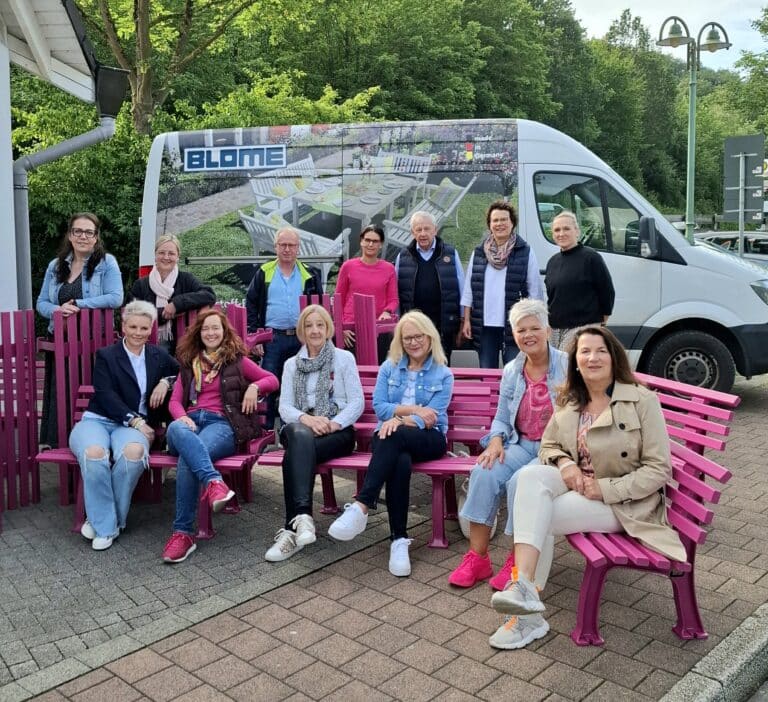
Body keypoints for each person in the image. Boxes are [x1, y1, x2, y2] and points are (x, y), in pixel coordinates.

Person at [487, 325, 685, 650]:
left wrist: (605, 489)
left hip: (623, 502)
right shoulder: (571, 398)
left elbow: (658, 469)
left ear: (614, 357)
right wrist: (566, 465)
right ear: (575, 361)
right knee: (529, 478)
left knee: (538, 514)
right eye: (585, 352)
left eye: (600, 351)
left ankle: (525, 614)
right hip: (579, 486)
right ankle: (524, 592)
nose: (593, 358)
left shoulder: (641, 400)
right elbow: (549, 445)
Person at [448, 299, 567, 589]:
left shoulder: (568, 365)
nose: (528, 335)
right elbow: (502, 416)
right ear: (514, 335)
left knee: (519, 483)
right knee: (484, 471)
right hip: (520, 443)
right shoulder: (513, 369)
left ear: (547, 330)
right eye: (521, 330)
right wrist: (495, 440)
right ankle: (478, 558)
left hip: (553, 449)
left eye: (534, 328)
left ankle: (518, 560)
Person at [327, 311, 454, 577]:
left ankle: (363, 504)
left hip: (428, 438)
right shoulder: (389, 367)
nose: (413, 342)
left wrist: (399, 420)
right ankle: (398, 540)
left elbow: (433, 417)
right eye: (407, 338)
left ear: (430, 337)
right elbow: (380, 407)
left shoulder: (443, 374)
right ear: (400, 341)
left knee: (393, 436)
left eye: (418, 336)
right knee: (400, 460)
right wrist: (413, 410)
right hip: (390, 436)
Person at [161, 309, 279, 563]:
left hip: (221, 424)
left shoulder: (237, 361)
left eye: (216, 328)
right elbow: (174, 402)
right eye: (205, 328)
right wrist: (182, 417)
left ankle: (183, 533)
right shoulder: (188, 363)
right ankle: (214, 481)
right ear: (198, 333)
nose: (211, 333)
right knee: (176, 428)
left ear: (224, 332)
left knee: (189, 458)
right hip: (189, 423)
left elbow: (272, 379)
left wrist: (255, 386)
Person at [68, 301, 178, 551]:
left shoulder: (158, 356)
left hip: (130, 430)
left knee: (134, 453)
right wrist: (136, 421)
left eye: (144, 328)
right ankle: (108, 526)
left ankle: (98, 520)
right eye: (133, 327)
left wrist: (166, 382)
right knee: (94, 454)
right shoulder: (107, 356)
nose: (138, 332)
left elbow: (181, 372)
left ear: (151, 329)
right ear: (123, 327)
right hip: (98, 420)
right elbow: (105, 395)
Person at [265, 305, 364, 562]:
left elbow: (356, 402)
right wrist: (307, 419)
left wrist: (333, 423)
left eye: (320, 325)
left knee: (295, 455)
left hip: (336, 433)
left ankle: (294, 527)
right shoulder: (291, 365)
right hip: (301, 429)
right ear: (301, 331)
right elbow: (285, 407)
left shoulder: (344, 359)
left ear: (328, 328)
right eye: (309, 326)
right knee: (299, 436)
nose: (315, 330)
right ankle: (303, 520)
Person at [37, 213, 124, 448]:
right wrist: (59, 309)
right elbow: (41, 303)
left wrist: (79, 304)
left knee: (89, 394)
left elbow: (116, 298)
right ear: (70, 235)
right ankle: (61, 445)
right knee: (61, 395)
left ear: (96, 237)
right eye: (78, 231)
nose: (83, 236)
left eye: (88, 232)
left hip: (94, 343)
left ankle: (93, 445)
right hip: (61, 342)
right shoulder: (55, 266)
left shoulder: (106, 263)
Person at [245, 227, 323, 428]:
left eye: (291, 245)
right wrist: (255, 335)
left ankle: (297, 431)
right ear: (276, 247)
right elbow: (251, 303)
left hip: (302, 338)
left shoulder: (310, 274)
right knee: (269, 383)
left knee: (301, 384)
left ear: (298, 248)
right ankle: (266, 431)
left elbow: (320, 306)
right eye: (283, 245)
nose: (287, 249)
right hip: (272, 338)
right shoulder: (264, 272)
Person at [461, 201, 544, 368]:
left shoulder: (525, 251)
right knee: (487, 372)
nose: (500, 224)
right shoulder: (479, 252)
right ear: (490, 225)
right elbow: (469, 289)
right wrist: (467, 320)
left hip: (515, 324)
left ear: (512, 223)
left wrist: (535, 322)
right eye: (495, 220)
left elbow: (535, 290)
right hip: (485, 325)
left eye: (504, 219)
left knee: (514, 371)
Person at [129, 234, 216, 354]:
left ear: (178, 257)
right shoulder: (141, 284)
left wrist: (177, 304)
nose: (166, 257)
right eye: (161, 253)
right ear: (155, 255)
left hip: (185, 343)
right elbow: (132, 314)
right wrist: (163, 313)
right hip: (148, 344)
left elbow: (209, 295)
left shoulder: (186, 279)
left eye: (171, 253)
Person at [395, 211, 463, 362]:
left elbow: (461, 287)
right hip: (413, 326)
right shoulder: (403, 256)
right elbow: (396, 292)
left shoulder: (450, 253)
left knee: (441, 366)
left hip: (443, 324)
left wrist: (463, 320)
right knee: (415, 365)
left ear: (435, 230)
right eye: (418, 229)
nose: (423, 233)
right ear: (412, 232)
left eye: (427, 229)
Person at [544, 211, 615, 350]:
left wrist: (600, 323)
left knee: (568, 363)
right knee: (556, 364)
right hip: (555, 330)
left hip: (582, 328)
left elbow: (607, 291)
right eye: (557, 230)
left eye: (566, 228)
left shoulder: (591, 258)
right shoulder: (552, 262)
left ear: (577, 231)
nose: (561, 233)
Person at [335, 224, 398, 359]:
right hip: (350, 330)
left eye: (375, 241)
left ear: (381, 244)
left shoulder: (389, 269)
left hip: (378, 328)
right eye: (367, 240)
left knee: (377, 367)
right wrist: (342, 327)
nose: (370, 244)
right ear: (361, 241)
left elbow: (393, 300)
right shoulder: (348, 266)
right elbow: (338, 299)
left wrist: (387, 312)